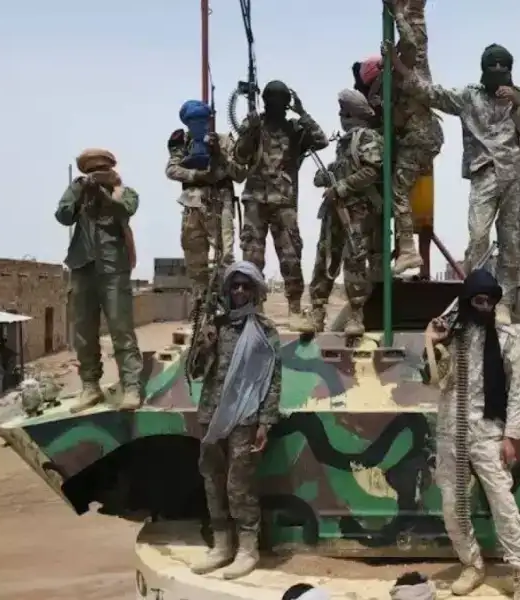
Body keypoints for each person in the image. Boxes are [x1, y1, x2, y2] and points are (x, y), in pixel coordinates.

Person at [386, 41, 520, 324]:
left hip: (516, 176)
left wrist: (518, 104)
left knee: (511, 244)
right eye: (492, 64)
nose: (497, 69)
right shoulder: (470, 96)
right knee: (478, 238)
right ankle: (477, 299)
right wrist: (400, 68)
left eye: (503, 65)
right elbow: (431, 94)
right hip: (484, 174)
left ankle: (504, 304)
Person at [421, 268, 520, 599]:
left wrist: (511, 436)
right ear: (467, 300)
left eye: (490, 301)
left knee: (503, 503)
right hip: (451, 432)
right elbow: (430, 379)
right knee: (452, 506)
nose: (484, 307)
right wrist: (431, 342)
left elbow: (517, 389)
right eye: (478, 300)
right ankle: (471, 564)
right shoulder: (451, 334)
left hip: (488, 432)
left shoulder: (506, 337)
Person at [187, 261, 282, 579]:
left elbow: (273, 379)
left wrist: (265, 423)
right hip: (212, 414)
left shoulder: (265, 330)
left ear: (255, 290)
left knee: (239, 484)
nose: (239, 291)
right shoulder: (216, 326)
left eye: (246, 285)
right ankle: (222, 545)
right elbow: (195, 372)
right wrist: (203, 344)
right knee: (212, 480)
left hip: (245, 417)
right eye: (235, 285)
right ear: (227, 289)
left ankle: (247, 549)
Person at [234, 80, 329, 331]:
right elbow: (239, 157)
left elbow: (321, 140)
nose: (274, 106)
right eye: (271, 101)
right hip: (255, 200)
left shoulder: (295, 129)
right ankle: (254, 307)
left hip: (284, 202)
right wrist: (250, 131)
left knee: (290, 256)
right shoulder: (254, 125)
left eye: (280, 101)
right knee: (252, 256)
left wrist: (302, 112)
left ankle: (295, 308)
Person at [55, 149, 143, 412]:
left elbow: (126, 210)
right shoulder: (79, 190)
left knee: (121, 328)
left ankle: (131, 386)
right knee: (84, 332)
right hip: (83, 266)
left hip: (113, 268)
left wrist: (104, 193)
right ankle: (90, 386)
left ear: (111, 170)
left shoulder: (124, 192)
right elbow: (62, 216)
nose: (96, 176)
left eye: (101, 171)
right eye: (91, 172)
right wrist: (80, 191)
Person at [370, 0, 444, 276]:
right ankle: (407, 248)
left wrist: (398, 15)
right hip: (423, 137)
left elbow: (411, 43)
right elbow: (413, 41)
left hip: (419, 137)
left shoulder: (410, 66)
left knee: (398, 190)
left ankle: (408, 250)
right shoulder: (409, 66)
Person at [307, 90, 384, 335]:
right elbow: (344, 168)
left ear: (352, 115)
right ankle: (317, 311)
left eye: (344, 113)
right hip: (335, 211)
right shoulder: (345, 142)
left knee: (355, 261)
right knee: (324, 257)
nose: (341, 118)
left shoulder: (368, 137)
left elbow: (372, 171)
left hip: (357, 212)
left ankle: (355, 315)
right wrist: (325, 176)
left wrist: (341, 187)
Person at [166, 102, 246, 296]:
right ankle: (200, 301)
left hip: (220, 201)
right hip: (192, 203)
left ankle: (227, 300)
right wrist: (197, 175)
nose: (199, 126)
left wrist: (220, 156)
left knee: (225, 255)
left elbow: (240, 174)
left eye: (203, 121)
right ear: (187, 124)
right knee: (194, 256)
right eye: (194, 122)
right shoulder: (183, 143)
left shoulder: (224, 141)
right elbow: (171, 169)